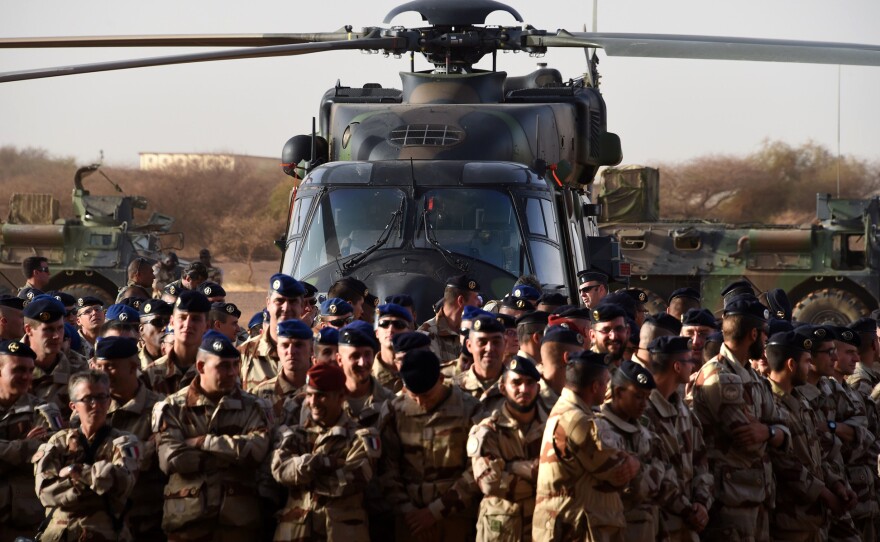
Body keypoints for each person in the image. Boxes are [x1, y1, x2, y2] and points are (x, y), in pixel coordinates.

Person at [686, 295, 790, 541]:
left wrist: (768, 432)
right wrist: (772, 432)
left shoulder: (752, 377)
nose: (766, 342)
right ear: (753, 335)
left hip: (757, 495)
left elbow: (785, 430)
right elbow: (748, 438)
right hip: (729, 501)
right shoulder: (718, 375)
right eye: (765, 335)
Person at [153, 330, 271, 541]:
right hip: (188, 524)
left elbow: (258, 450)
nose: (233, 372)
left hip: (239, 524)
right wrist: (232, 454)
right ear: (201, 367)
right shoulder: (172, 407)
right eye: (223, 366)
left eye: (235, 365)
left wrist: (201, 442)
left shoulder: (253, 406)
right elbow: (172, 459)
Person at [532, 349, 640, 542]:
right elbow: (616, 472)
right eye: (606, 383)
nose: (608, 388)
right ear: (595, 387)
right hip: (573, 531)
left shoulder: (570, 411)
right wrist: (634, 462)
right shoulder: (576, 420)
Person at [380, 349, 484, 541]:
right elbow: (387, 467)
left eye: (427, 395)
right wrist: (409, 511)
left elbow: (477, 469)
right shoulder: (394, 411)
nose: (421, 402)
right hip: (409, 523)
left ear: (441, 379)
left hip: (455, 521)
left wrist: (435, 511)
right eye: (414, 396)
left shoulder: (470, 409)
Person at [271, 362, 380, 542]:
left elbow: (350, 482)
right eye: (310, 395)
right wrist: (321, 463)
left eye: (321, 396)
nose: (313, 403)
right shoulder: (296, 434)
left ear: (341, 397)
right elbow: (280, 471)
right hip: (296, 533)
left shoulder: (361, 437)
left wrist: (300, 475)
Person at [33, 370, 140, 542]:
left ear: (109, 401)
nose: (96, 405)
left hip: (106, 533)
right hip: (61, 534)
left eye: (101, 397)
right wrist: (97, 480)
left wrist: (74, 470)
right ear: (73, 406)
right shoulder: (59, 442)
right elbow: (46, 492)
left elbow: (123, 483)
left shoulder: (124, 441)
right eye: (87, 399)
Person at [765, 331, 847, 540]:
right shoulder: (769, 403)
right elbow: (784, 463)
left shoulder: (800, 401)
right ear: (791, 364)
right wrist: (826, 494)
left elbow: (816, 452)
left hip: (813, 520)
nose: (809, 367)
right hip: (788, 521)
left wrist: (837, 484)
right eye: (806, 362)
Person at [91, 336, 167, 541]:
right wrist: (144, 450)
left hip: (147, 520)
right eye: (99, 367)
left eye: (110, 367)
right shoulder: (89, 407)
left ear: (133, 367)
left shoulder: (161, 409)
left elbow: (167, 457)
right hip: (99, 523)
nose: (103, 374)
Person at [468, 356, 546, 542]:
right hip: (501, 531)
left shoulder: (552, 426)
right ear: (503, 388)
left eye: (530, 383)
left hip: (543, 528)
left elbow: (564, 479)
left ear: (538, 388)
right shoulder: (487, 431)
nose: (524, 389)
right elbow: (490, 483)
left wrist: (509, 467)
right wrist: (537, 473)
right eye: (516, 383)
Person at [644, 335, 712, 540]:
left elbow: (701, 460)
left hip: (687, 526)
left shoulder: (682, 409)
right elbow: (652, 472)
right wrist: (688, 510)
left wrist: (701, 502)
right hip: (659, 525)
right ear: (676, 366)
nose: (693, 366)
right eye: (689, 361)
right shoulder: (643, 412)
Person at [596, 360, 672, 540]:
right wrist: (650, 472)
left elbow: (668, 478)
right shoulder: (600, 430)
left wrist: (641, 470)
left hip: (650, 529)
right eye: (638, 396)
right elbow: (628, 488)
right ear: (618, 392)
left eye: (647, 397)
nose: (644, 404)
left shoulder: (644, 431)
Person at [0, 339, 60, 541]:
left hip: (26, 520)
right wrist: (25, 447)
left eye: (30, 370)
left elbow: (51, 458)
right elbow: (33, 451)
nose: (26, 377)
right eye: (18, 370)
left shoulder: (44, 411)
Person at [23, 295, 89, 418]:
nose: (56, 336)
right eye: (48, 330)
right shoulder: (8, 361)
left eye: (60, 329)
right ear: (28, 330)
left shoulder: (77, 365)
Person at [239, 273, 305, 392]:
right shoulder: (243, 354)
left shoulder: (316, 351)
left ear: (302, 306)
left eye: (293, 301)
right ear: (268, 303)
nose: (286, 307)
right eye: (279, 301)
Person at [142, 290, 211, 394]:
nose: (188, 324)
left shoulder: (215, 371)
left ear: (207, 326)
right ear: (172, 322)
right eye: (182, 318)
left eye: (195, 319)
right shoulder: (150, 375)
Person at [252, 318, 314, 421]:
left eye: (298, 345)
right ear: (277, 350)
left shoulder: (325, 390)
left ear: (311, 350)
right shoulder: (261, 393)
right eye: (285, 345)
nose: (291, 351)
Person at [419, 274, 481, 363]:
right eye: (475, 298)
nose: (479, 302)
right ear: (461, 301)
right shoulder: (426, 334)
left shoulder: (473, 331)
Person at [454, 315, 507, 412]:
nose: (490, 348)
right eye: (482, 342)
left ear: (505, 344)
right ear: (469, 345)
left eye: (496, 342)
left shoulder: (518, 387)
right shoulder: (453, 389)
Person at [537, 325, 585, 411]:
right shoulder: (531, 400)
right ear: (567, 358)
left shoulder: (578, 396)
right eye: (579, 357)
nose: (584, 364)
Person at [590, 303, 630, 367]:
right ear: (593, 336)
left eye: (619, 329)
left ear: (627, 332)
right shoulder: (585, 371)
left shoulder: (631, 369)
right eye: (605, 330)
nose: (613, 337)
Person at [137, 298, 173, 369]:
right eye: (158, 322)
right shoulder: (134, 365)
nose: (165, 327)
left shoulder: (184, 361)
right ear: (141, 330)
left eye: (169, 322)